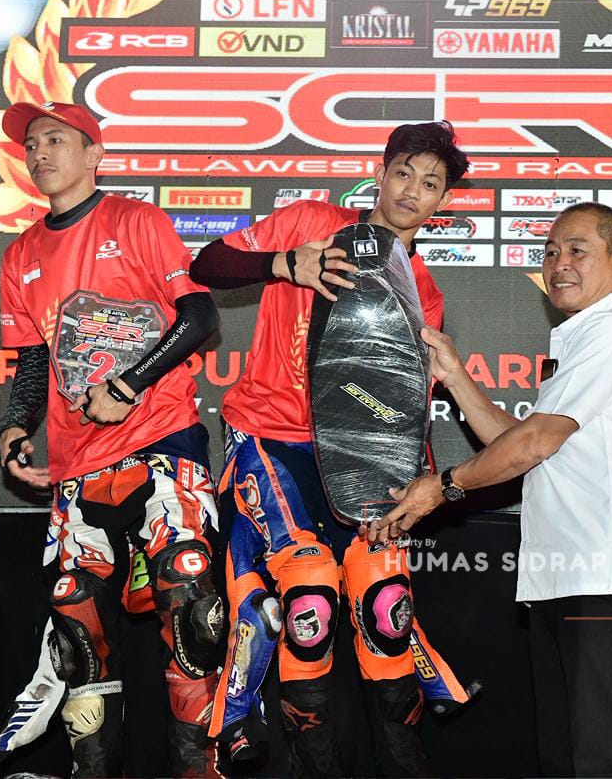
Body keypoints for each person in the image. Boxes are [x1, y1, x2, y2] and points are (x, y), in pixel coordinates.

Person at [188, 121, 471, 777]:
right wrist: (286, 264)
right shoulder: (312, 222)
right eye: (404, 173)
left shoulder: (423, 291)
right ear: (380, 173)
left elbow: (401, 409)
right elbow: (207, 265)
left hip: (363, 460)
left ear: (442, 201)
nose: (413, 191)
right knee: (309, 600)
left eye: (431, 184)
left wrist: (415, 482)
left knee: (386, 606)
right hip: (270, 440)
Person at [370, 202, 612, 777]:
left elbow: (534, 442)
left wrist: (444, 486)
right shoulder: (582, 336)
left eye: (578, 250)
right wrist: (454, 374)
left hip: (602, 575)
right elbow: (520, 440)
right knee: (564, 756)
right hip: (568, 576)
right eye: (550, 251)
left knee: (605, 758)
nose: (559, 263)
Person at [0, 101, 224, 777]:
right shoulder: (19, 254)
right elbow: (32, 360)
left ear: (94, 154)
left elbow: (200, 317)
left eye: (55, 139)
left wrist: (128, 384)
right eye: (32, 144)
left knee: (192, 612)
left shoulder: (136, 221)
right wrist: (14, 425)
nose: (40, 152)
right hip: (77, 464)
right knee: (78, 638)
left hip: (162, 443)